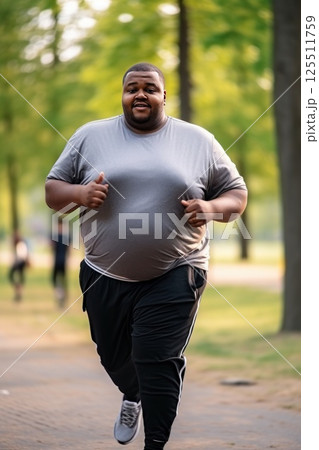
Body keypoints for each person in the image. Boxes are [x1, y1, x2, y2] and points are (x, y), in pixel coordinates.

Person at [45, 62, 247, 449]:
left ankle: (154, 442)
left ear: (164, 96)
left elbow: (236, 194)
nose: (141, 94)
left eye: (150, 88)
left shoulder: (198, 141)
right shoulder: (90, 136)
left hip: (177, 269)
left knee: (155, 356)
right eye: (132, 88)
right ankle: (132, 393)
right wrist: (79, 195)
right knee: (113, 355)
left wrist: (210, 208)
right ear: (122, 96)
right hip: (105, 272)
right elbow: (53, 189)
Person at [51, 217, 69, 308]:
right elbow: (69, 250)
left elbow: (51, 247)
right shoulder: (66, 236)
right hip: (64, 261)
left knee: (55, 280)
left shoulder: (55, 236)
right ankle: (63, 297)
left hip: (57, 261)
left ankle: (60, 296)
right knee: (63, 280)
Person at [8, 231, 30, 302]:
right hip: (20, 264)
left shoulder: (20, 244)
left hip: (19, 264)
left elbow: (22, 256)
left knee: (17, 278)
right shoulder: (20, 244)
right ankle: (18, 291)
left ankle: (18, 292)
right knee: (19, 278)